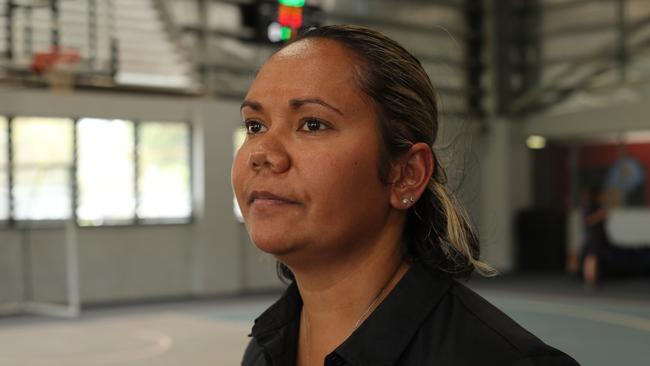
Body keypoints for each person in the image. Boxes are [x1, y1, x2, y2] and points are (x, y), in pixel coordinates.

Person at [232, 25, 579, 366]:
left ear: (406, 175)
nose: (262, 153)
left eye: (312, 124)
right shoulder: (265, 350)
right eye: (255, 126)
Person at [581, 186, 650, 286]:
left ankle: (593, 278)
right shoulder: (589, 207)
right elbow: (587, 221)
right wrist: (599, 216)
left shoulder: (597, 206)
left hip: (599, 236)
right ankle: (589, 279)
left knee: (595, 257)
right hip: (593, 236)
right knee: (591, 257)